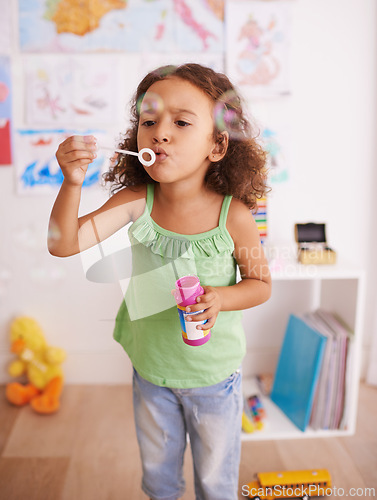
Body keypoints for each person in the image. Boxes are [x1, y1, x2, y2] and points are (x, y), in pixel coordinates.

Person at [48, 63, 271, 500]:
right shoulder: (136, 201)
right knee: (159, 480)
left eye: (181, 122)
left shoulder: (236, 217)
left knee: (215, 482)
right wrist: (71, 181)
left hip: (214, 376)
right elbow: (63, 243)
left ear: (218, 145)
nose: (159, 132)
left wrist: (220, 299)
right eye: (148, 121)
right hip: (151, 371)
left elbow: (261, 283)